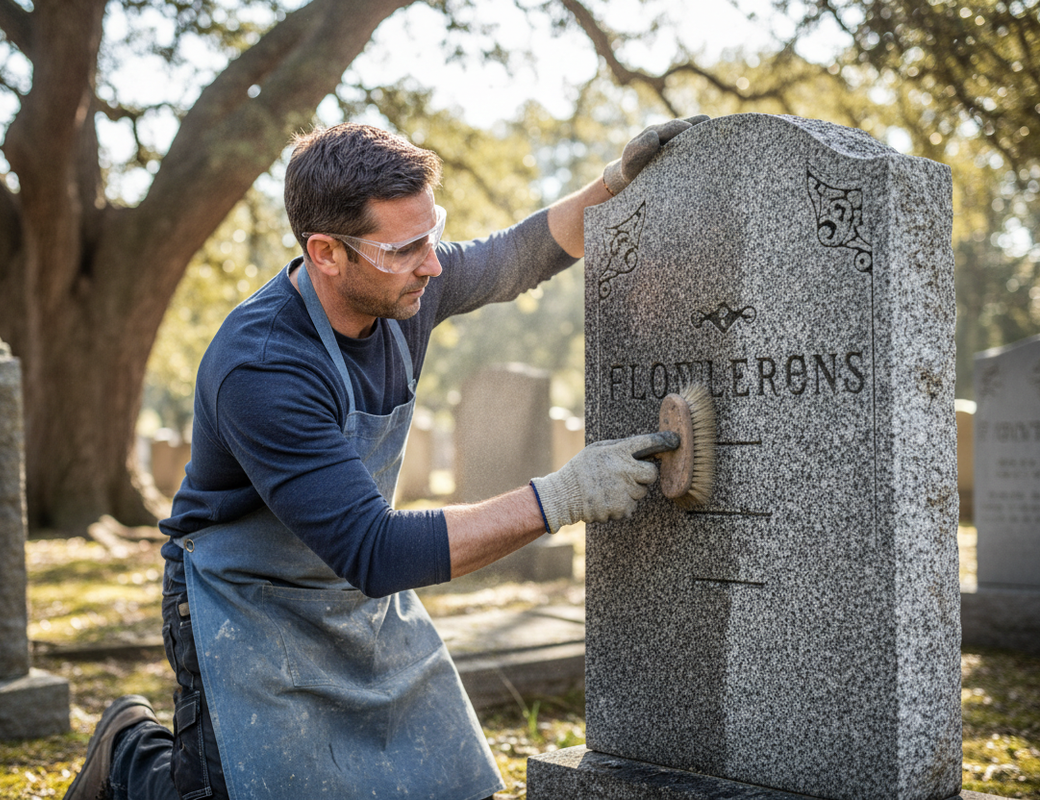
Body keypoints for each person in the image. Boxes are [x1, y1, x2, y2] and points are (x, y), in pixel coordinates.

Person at [66, 115, 706, 800]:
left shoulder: (409, 288)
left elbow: (518, 254)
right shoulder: (264, 367)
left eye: (432, 234)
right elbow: (376, 552)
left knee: (429, 780)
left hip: (347, 590)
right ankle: (130, 751)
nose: (433, 263)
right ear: (326, 252)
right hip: (246, 600)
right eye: (405, 248)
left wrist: (611, 185)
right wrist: (563, 497)